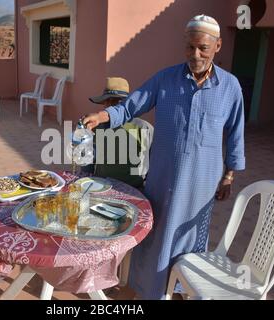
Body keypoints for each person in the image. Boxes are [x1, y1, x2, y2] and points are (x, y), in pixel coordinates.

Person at [83, 15, 246, 300]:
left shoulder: (230, 87)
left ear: (218, 46)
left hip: (203, 184)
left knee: (191, 238)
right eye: (190, 48)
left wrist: (230, 174)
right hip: (164, 178)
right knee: (156, 236)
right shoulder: (165, 79)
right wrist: (104, 115)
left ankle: (181, 289)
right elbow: (131, 105)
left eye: (203, 48)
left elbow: (236, 133)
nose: (195, 55)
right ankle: (149, 290)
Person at [82, 77, 145, 188]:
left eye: (116, 102)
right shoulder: (96, 127)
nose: (110, 106)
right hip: (106, 185)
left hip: (127, 188)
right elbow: (88, 160)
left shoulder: (143, 128)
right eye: (108, 101)